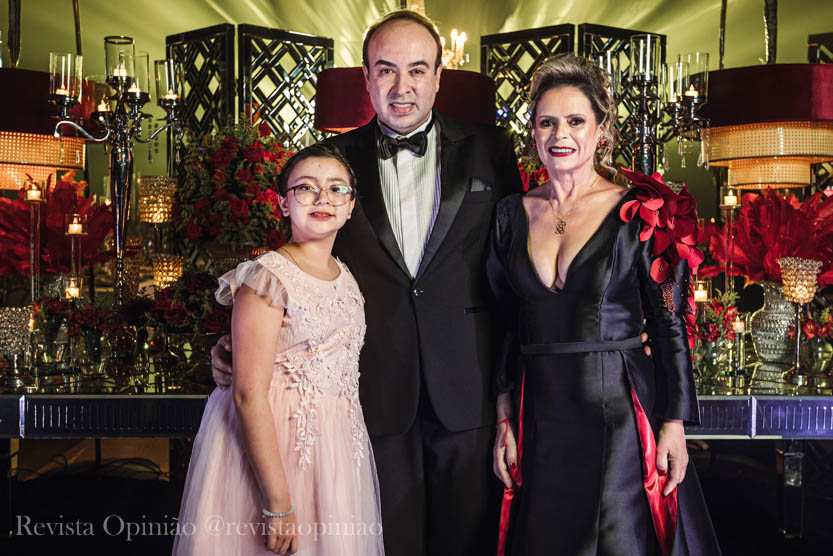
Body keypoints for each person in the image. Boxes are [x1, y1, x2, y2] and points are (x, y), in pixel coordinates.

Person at [212, 9, 524, 556]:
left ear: (438, 76)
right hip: (370, 392)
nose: (402, 87)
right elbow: (296, 267)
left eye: (417, 70)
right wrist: (238, 341)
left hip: (469, 387)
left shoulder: (491, 149)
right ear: (366, 77)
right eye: (386, 70)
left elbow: (518, 268)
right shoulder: (333, 163)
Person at [488, 53, 722, 556]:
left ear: (601, 130)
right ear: (533, 133)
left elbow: (669, 323)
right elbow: (505, 324)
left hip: (618, 411)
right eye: (547, 122)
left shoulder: (641, 212)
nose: (560, 135)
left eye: (575, 121)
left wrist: (674, 423)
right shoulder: (510, 214)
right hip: (538, 412)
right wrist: (504, 416)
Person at [173, 143, 384, 556]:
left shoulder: (346, 274)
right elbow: (247, 392)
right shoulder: (266, 278)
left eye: (336, 188)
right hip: (279, 449)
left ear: (350, 205)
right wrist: (278, 502)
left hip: (335, 449)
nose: (322, 198)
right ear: (284, 204)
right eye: (305, 188)